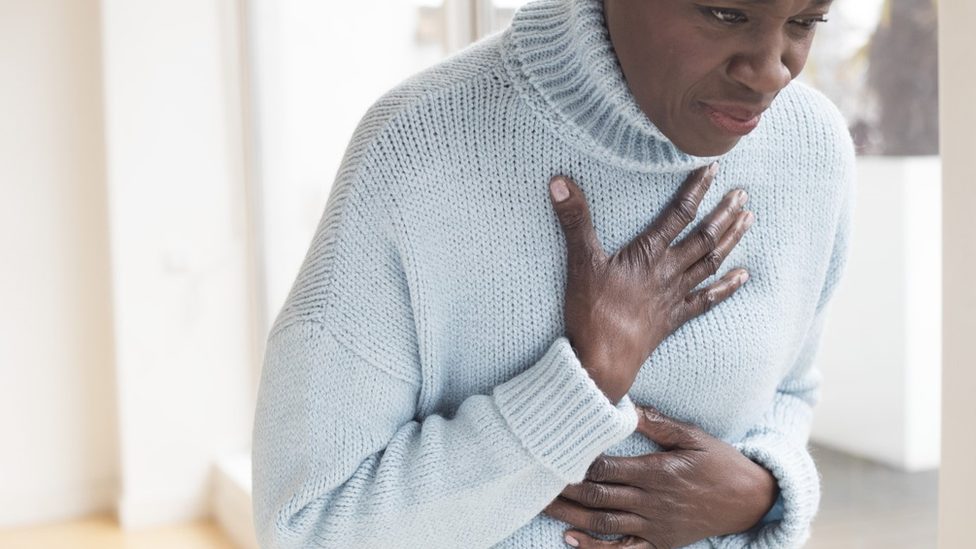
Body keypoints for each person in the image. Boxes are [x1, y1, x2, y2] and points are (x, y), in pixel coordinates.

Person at [251, 0, 853, 547]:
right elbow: (306, 527)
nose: (770, 73)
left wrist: (764, 492)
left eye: (806, 21)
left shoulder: (812, 147)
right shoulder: (417, 148)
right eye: (725, 13)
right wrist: (586, 381)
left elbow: (789, 392)